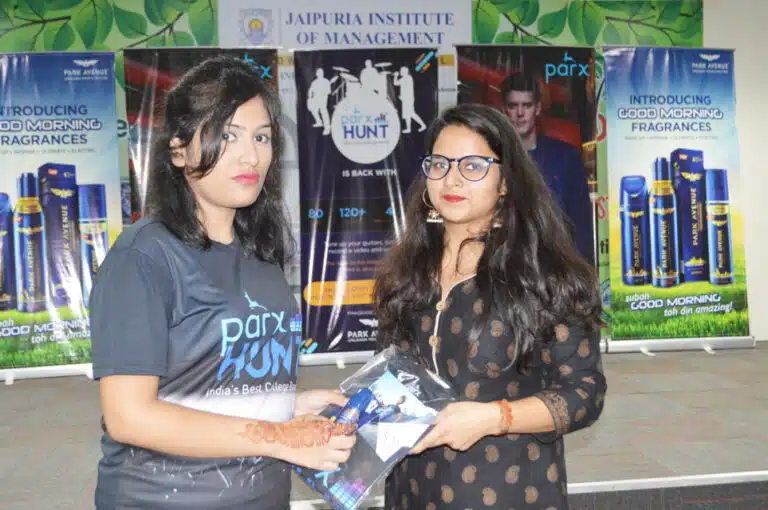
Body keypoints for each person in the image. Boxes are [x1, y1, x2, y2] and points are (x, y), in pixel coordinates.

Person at [89, 56, 356, 510]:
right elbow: (129, 417)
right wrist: (281, 437)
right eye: (227, 135)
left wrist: (286, 406)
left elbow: (216, 382)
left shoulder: (260, 253)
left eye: (261, 137)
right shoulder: (144, 257)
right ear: (178, 150)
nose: (250, 156)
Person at [373, 103, 607, 509]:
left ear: (504, 182)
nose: (452, 178)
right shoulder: (406, 271)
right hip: (411, 491)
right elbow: (390, 377)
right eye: (440, 164)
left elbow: (584, 394)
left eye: (473, 166)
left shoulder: (544, 275)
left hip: (506, 491)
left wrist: (494, 418)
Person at [500, 72, 595, 264]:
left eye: (526, 105)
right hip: (506, 264)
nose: (520, 113)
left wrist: (580, 268)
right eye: (513, 106)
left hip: (556, 264)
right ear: (504, 109)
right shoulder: (493, 158)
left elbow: (580, 223)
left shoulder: (565, 157)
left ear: (537, 108)